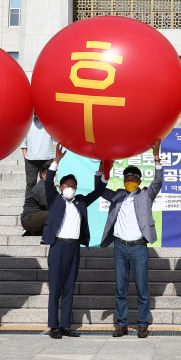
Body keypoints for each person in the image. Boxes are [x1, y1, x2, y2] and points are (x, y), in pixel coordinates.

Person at [99, 140, 163, 339]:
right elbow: (100, 190)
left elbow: (158, 181)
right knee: (121, 288)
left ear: (139, 180)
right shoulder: (117, 195)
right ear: (124, 180)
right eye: (127, 177)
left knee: (142, 288)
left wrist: (156, 157)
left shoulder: (146, 195)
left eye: (134, 178)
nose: (130, 180)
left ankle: (143, 324)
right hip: (119, 247)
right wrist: (102, 166)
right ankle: (121, 324)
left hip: (138, 248)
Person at [44, 145, 108, 339]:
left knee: (70, 286)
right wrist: (56, 161)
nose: (71, 188)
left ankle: (65, 325)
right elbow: (48, 183)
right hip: (58, 246)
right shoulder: (55, 199)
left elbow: (98, 192)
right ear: (61, 187)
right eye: (68, 186)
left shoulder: (80, 201)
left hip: (74, 247)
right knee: (55, 287)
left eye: (74, 186)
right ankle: (53, 326)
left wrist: (103, 170)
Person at [21, 112, 54, 198]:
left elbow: (56, 136)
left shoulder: (50, 122)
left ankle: (47, 206)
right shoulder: (28, 122)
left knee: (47, 183)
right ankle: (29, 208)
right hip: (31, 159)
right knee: (31, 184)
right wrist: (25, 155)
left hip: (47, 157)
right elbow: (23, 139)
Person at [21, 164, 51, 236]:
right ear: (43, 175)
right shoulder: (42, 188)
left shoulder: (45, 186)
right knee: (56, 212)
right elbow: (49, 206)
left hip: (33, 217)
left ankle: (34, 232)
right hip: (29, 219)